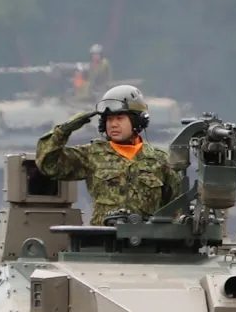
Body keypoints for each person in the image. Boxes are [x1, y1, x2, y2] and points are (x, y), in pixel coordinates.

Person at [36, 84, 180, 225]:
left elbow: (176, 206)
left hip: (145, 243)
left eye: (120, 118)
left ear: (137, 121)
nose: (113, 124)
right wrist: (63, 131)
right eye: (109, 119)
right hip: (102, 242)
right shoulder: (93, 154)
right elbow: (48, 164)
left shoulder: (160, 161)